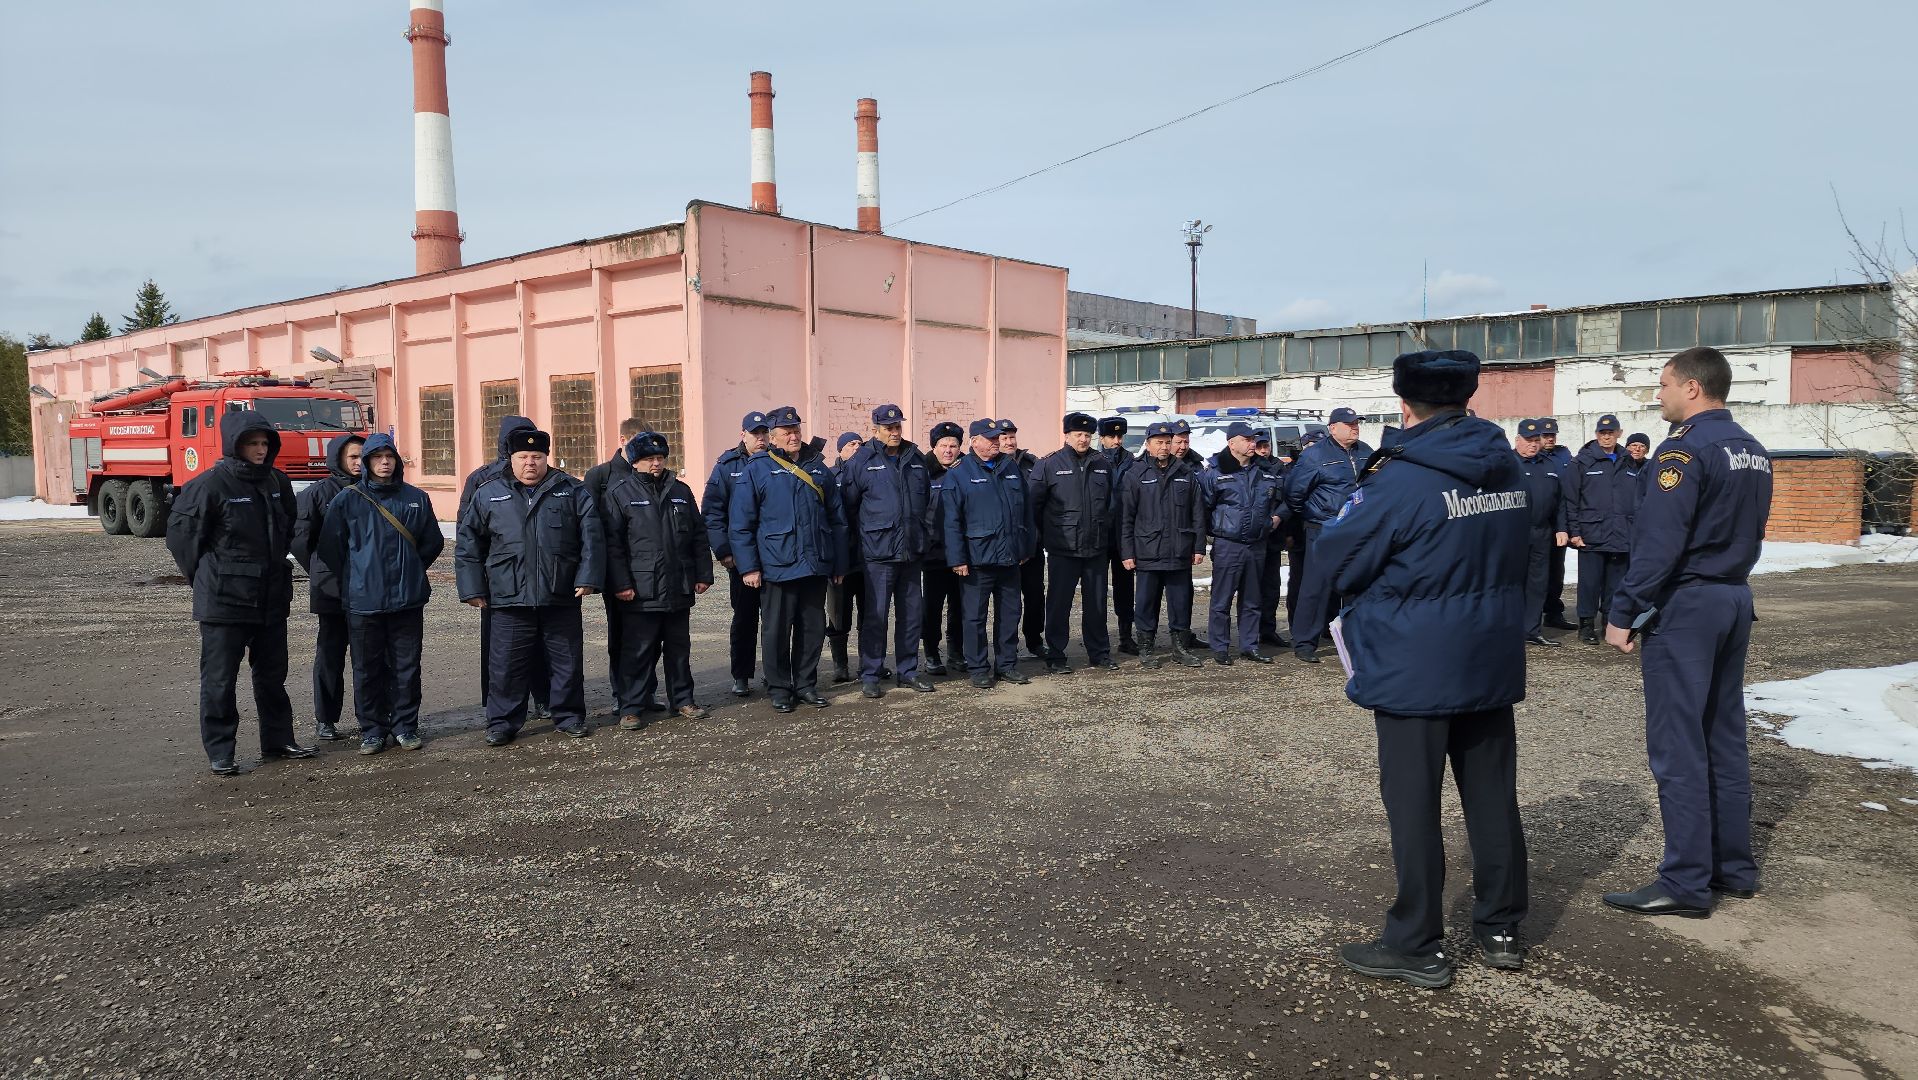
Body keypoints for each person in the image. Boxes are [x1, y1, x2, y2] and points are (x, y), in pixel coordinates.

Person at [1315, 350, 1531, 989]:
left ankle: (1416, 941)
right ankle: (1500, 926)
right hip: (1487, 651)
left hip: (1415, 662)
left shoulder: (1400, 480)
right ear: (1466, 401)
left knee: (1413, 804)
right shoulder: (1506, 467)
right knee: (1492, 797)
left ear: (1404, 406)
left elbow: (1337, 558)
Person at [1602, 347, 1773, 918]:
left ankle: (1685, 882)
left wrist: (1624, 610)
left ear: (1693, 389)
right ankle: (1732, 867)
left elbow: (1660, 540)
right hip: (1732, 597)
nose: (1659, 395)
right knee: (1723, 737)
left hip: (1690, 604)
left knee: (1678, 745)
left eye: (1665, 385)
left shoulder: (1684, 449)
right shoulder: (1751, 448)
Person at [165, 410, 313, 775]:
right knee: (219, 679)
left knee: (272, 675)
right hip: (223, 601)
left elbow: (287, 530)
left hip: (271, 598)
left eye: (265, 443)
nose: (260, 450)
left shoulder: (277, 482)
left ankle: (278, 740)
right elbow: (182, 539)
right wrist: (206, 577)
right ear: (235, 444)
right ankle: (221, 750)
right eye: (252, 443)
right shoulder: (209, 485)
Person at [455, 427, 604, 745]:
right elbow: (469, 544)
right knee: (506, 664)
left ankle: (568, 715)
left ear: (546, 458)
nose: (530, 463)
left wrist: (588, 578)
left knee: (566, 661)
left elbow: (591, 537)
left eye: (536, 457)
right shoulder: (489, 493)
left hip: (560, 593)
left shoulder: (572, 491)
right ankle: (502, 722)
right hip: (508, 595)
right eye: (523, 457)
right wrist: (472, 588)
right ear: (511, 459)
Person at [315, 433, 443, 755]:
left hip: (407, 599)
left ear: (397, 461)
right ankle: (372, 730)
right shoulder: (347, 500)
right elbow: (330, 547)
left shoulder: (416, 497)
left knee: (406, 667)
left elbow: (433, 541)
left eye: (389, 457)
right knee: (366, 668)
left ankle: (405, 726)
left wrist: (411, 568)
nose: (384, 462)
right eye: (377, 457)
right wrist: (357, 575)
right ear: (367, 463)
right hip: (363, 601)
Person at [729, 405, 849, 713]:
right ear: (773, 437)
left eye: (797, 430)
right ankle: (780, 687)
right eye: (787, 432)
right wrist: (749, 566)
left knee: (811, 628)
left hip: (814, 562)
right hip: (776, 564)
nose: (794, 436)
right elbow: (741, 523)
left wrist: (838, 563)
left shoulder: (818, 468)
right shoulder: (757, 469)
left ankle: (806, 684)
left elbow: (837, 520)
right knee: (776, 630)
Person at [602, 431, 713, 727]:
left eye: (660, 458)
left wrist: (703, 574)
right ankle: (631, 707)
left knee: (679, 650)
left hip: (678, 585)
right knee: (638, 651)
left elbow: (698, 536)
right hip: (640, 590)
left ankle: (683, 700)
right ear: (635, 462)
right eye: (649, 459)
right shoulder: (619, 492)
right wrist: (621, 583)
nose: (656, 463)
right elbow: (612, 545)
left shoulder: (681, 490)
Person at [839, 405, 934, 698]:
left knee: (911, 616)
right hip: (878, 554)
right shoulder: (862, 461)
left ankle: (907, 671)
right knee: (876, 616)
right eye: (888, 428)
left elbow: (927, 502)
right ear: (875, 429)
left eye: (897, 427)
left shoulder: (916, 459)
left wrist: (923, 538)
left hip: (911, 552)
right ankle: (871, 672)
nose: (894, 432)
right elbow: (848, 507)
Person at [461, 414, 548, 718]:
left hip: (537, 575)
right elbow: (468, 530)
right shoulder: (482, 479)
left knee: (540, 642)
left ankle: (542, 697)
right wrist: (480, 576)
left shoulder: (545, 474)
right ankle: (501, 704)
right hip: (499, 579)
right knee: (501, 649)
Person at [945, 418, 1035, 688]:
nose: (997, 442)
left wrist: (1026, 547)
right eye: (991, 438)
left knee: (1010, 613)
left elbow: (1026, 511)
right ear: (974, 442)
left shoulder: (1011, 468)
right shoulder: (959, 473)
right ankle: (978, 667)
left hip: (1009, 557)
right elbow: (951, 520)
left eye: (999, 437)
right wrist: (957, 558)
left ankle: (1007, 664)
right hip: (977, 559)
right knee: (975, 617)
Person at [1029, 412, 1119, 673]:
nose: (1083, 439)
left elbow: (1111, 505)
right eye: (1078, 434)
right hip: (1063, 548)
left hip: (1095, 548)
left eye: (1087, 435)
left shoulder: (1102, 463)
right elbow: (1034, 506)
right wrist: (1043, 538)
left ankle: (1099, 653)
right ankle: (1056, 655)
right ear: (1067, 435)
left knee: (1097, 604)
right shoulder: (1049, 464)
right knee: (1058, 604)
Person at [289, 432, 363, 742]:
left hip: (368, 588)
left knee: (368, 656)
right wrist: (322, 569)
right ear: (338, 459)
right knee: (330, 654)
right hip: (332, 588)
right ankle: (326, 719)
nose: (360, 463)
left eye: (363, 456)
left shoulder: (375, 491)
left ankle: (371, 717)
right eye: (353, 457)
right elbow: (301, 540)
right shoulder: (317, 493)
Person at [586, 417, 662, 717]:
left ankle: (646, 691)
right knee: (621, 636)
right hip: (619, 571)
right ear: (623, 441)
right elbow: (591, 527)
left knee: (652, 636)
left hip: (653, 571)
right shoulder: (600, 476)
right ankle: (623, 693)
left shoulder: (653, 475)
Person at [1286, 406, 1373, 663]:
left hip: (1358, 530)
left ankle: (1356, 638)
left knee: (1356, 586)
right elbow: (1294, 493)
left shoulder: (1367, 452)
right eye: (1349, 424)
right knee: (1315, 587)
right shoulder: (1315, 455)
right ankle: (1304, 643)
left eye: (1357, 423)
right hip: (1324, 529)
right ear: (1333, 428)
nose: (1355, 428)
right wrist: (1317, 515)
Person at [1121, 420, 1207, 669]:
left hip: (1179, 551)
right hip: (1148, 551)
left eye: (1168, 442)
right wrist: (1128, 552)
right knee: (1146, 603)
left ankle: (1180, 648)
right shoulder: (1135, 474)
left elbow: (1197, 513)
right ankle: (1146, 649)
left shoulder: (1185, 472)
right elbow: (1126, 517)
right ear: (1147, 444)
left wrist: (1199, 547)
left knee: (1180, 602)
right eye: (1159, 442)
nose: (1164, 446)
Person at [1201, 422, 1281, 665]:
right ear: (1231, 443)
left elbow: (1281, 499)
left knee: (1252, 599)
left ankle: (1249, 644)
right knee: (1222, 599)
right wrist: (1215, 532)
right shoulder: (1216, 472)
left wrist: (1276, 519)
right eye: (1246, 440)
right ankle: (1221, 647)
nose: (1251, 444)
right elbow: (1204, 507)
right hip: (1229, 544)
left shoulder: (1264, 471)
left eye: (1253, 439)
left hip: (1256, 544)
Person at [704, 411, 771, 698]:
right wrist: (723, 552)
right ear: (743, 434)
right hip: (741, 559)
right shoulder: (726, 466)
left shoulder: (778, 462)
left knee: (775, 619)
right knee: (744, 618)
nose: (760, 438)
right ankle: (741, 674)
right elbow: (712, 513)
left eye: (764, 433)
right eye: (755, 433)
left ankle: (775, 672)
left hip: (774, 555)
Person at [1566, 414, 1635, 644]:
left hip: (1621, 533)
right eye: (1602, 433)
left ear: (1619, 433)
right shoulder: (1583, 462)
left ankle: (1609, 622)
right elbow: (1571, 500)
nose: (1606, 437)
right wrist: (1574, 532)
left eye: (1611, 432)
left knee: (1616, 583)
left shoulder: (1628, 461)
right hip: (1591, 533)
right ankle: (1586, 625)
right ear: (1596, 435)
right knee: (1590, 583)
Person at [1512, 420, 1570, 648]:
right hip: (1514, 531)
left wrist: (1562, 527)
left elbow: (1560, 501)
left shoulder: (1549, 465)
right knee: (1514, 582)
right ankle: (1511, 628)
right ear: (1517, 440)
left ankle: (1532, 630)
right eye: (1528, 441)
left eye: (1536, 440)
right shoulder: (1507, 463)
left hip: (1542, 531)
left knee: (1538, 584)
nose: (1533, 445)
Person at [920, 422, 967, 676]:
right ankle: (931, 653)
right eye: (943, 446)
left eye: (953, 446)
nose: (948, 451)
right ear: (934, 447)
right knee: (932, 607)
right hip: (933, 553)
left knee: (959, 606)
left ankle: (956, 653)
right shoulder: (922, 471)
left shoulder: (966, 470)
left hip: (961, 552)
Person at [998, 419, 1046, 661]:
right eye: (1004, 437)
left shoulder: (1032, 464)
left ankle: (1035, 639)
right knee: (1008, 599)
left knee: (1035, 594)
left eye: (1012, 437)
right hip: (1004, 546)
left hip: (1032, 544)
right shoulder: (992, 465)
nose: (1009, 441)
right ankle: (1007, 644)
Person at [826, 431, 869, 685]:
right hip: (841, 558)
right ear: (840, 449)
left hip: (867, 557)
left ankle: (868, 663)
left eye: (860, 444)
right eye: (851, 444)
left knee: (869, 615)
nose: (857, 447)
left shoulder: (871, 473)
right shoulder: (830, 476)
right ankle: (840, 665)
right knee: (838, 615)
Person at [1097, 416, 1138, 656]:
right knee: (1098, 589)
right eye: (1111, 436)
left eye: (1120, 436)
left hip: (1124, 534)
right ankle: (1100, 638)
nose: (1116, 440)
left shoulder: (1133, 461)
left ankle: (1125, 636)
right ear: (1101, 438)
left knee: (1125, 588)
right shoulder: (1093, 461)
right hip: (1101, 534)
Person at [1535, 419, 1577, 632]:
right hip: (1539, 521)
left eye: (1552, 435)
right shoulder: (1533, 457)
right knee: (1536, 572)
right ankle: (1532, 616)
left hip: (1560, 520)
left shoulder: (1564, 455)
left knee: (1556, 570)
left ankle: (1553, 612)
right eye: (1545, 435)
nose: (1549, 439)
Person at [1252, 433, 1292, 650]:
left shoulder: (1280, 468)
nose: (1263, 450)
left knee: (1271, 587)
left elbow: (1290, 498)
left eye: (1266, 446)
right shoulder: (1249, 467)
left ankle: (1268, 630)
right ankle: (1250, 632)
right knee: (1251, 587)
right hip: (1252, 537)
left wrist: (1279, 517)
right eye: (1259, 446)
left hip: (1273, 537)